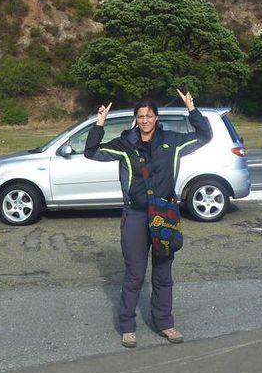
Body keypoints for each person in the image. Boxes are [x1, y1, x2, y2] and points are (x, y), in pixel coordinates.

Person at [84, 89, 212, 348]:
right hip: (135, 215)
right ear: (135, 119)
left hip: (164, 215)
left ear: (156, 118)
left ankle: (165, 323)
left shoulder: (172, 141)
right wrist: (100, 122)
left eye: (149, 115)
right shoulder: (125, 144)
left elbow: (204, 136)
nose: (145, 120)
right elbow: (91, 151)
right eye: (140, 116)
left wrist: (192, 109)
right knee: (134, 274)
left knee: (163, 273)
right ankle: (128, 327)